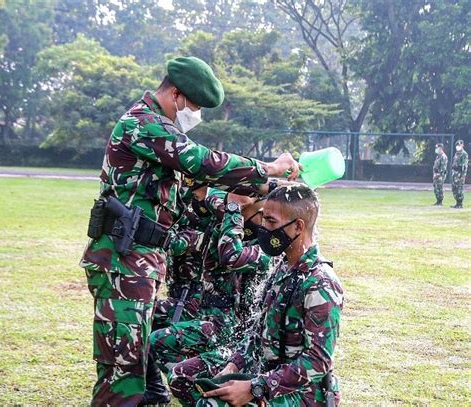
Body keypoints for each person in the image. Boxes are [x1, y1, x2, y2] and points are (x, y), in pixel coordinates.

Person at [79, 55, 300, 406]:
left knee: (134, 361)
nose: (193, 115)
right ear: (177, 94)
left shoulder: (159, 132)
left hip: (139, 260)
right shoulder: (143, 124)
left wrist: (248, 195)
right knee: (122, 369)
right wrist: (267, 167)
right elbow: (200, 160)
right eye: (194, 106)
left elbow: (190, 190)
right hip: (122, 260)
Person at [184, 184, 343, 407]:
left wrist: (256, 388)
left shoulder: (320, 282)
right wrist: (233, 366)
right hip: (270, 377)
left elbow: (318, 361)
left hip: (306, 394)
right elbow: (258, 331)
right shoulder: (281, 267)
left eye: (271, 222)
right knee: (202, 388)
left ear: (298, 226)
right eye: (264, 219)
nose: (264, 228)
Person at [148, 189, 271, 378]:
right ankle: (196, 382)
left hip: (236, 335)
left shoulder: (267, 250)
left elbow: (232, 256)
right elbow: (209, 204)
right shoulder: (233, 233)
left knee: (163, 346)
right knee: (152, 325)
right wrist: (224, 201)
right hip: (213, 317)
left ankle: (204, 386)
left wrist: (233, 207)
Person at [450, 139, 468, 208]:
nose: (458, 146)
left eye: (459, 145)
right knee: (454, 188)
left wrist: (463, 176)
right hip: (455, 173)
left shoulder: (464, 154)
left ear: (462, 145)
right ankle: (457, 202)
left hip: (460, 173)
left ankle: (460, 203)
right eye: (457, 145)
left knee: (459, 188)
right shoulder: (456, 153)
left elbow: (464, 166)